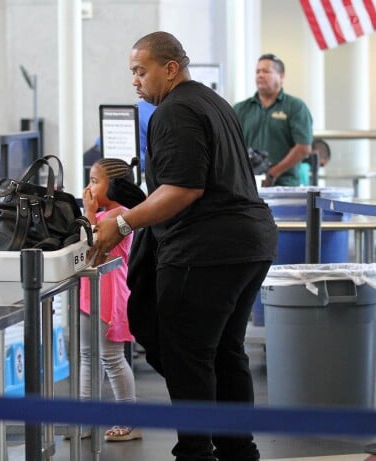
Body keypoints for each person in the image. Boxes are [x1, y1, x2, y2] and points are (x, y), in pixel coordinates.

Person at [90, 31, 278, 461]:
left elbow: (183, 189)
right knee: (226, 352)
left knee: (187, 354)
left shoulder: (173, 111)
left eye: (141, 71)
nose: (135, 81)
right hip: (250, 243)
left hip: (207, 251)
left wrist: (122, 221)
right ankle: (238, 449)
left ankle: (195, 452)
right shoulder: (214, 103)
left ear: (169, 68)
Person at [79, 157, 145, 442]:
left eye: (95, 182)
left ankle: (129, 420)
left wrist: (90, 214)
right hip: (89, 291)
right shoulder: (107, 214)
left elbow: (93, 248)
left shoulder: (122, 217)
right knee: (86, 356)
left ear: (114, 186)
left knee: (111, 357)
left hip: (109, 293)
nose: (89, 188)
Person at [233, 53, 313, 187]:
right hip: (246, 186)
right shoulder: (240, 109)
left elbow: (303, 148)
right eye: (257, 71)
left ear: (281, 76)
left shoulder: (295, 107)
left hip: (284, 187)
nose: (260, 75)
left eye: (266, 71)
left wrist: (272, 174)